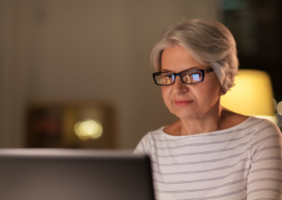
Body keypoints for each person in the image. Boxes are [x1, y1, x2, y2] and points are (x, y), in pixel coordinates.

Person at [134, 19, 282, 200]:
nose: (178, 88)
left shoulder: (259, 136)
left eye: (192, 75)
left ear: (224, 74)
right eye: (168, 76)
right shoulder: (150, 146)